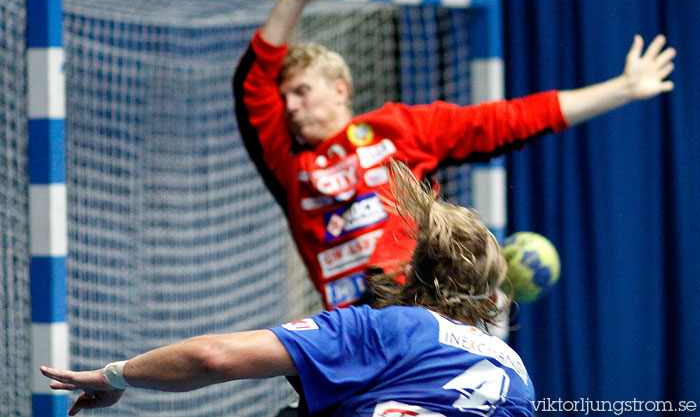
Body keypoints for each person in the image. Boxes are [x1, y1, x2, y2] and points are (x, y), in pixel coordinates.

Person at [233, 0, 676, 309]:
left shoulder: (397, 127)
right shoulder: (291, 165)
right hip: (349, 328)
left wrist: (621, 89)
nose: (288, 105)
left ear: (340, 89)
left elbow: (508, 119)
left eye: (300, 91)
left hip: (418, 309)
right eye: (283, 96)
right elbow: (251, 86)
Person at [41, 161, 536, 417]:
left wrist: (115, 376)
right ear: (492, 299)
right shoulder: (516, 373)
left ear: (409, 273)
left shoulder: (386, 328)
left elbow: (213, 357)